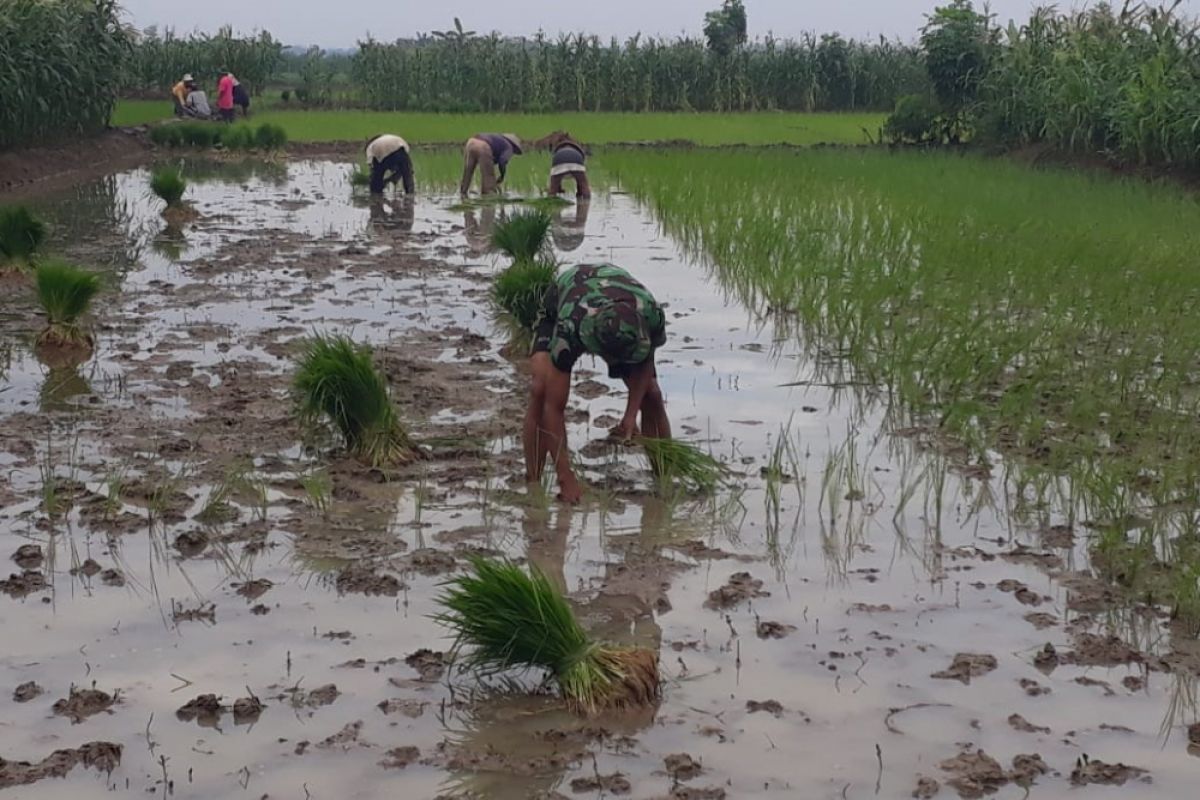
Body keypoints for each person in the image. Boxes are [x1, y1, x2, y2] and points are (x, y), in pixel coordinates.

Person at [525, 264, 670, 503]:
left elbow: (645, 366)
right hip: (564, 299)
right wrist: (566, 477)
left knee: (652, 394)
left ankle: (664, 478)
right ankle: (533, 484)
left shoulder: (651, 314)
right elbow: (554, 408)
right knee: (540, 390)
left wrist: (630, 416)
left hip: (616, 298)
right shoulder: (570, 327)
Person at [544, 132, 591, 199]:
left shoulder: (557, 153)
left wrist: (557, 189)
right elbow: (580, 184)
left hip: (559, 159)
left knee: (552, 189)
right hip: (576, 159)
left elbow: (556, 179)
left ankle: (550, 203)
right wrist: (579, 193)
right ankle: (586, 203)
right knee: (584, 185)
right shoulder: (578, 151)